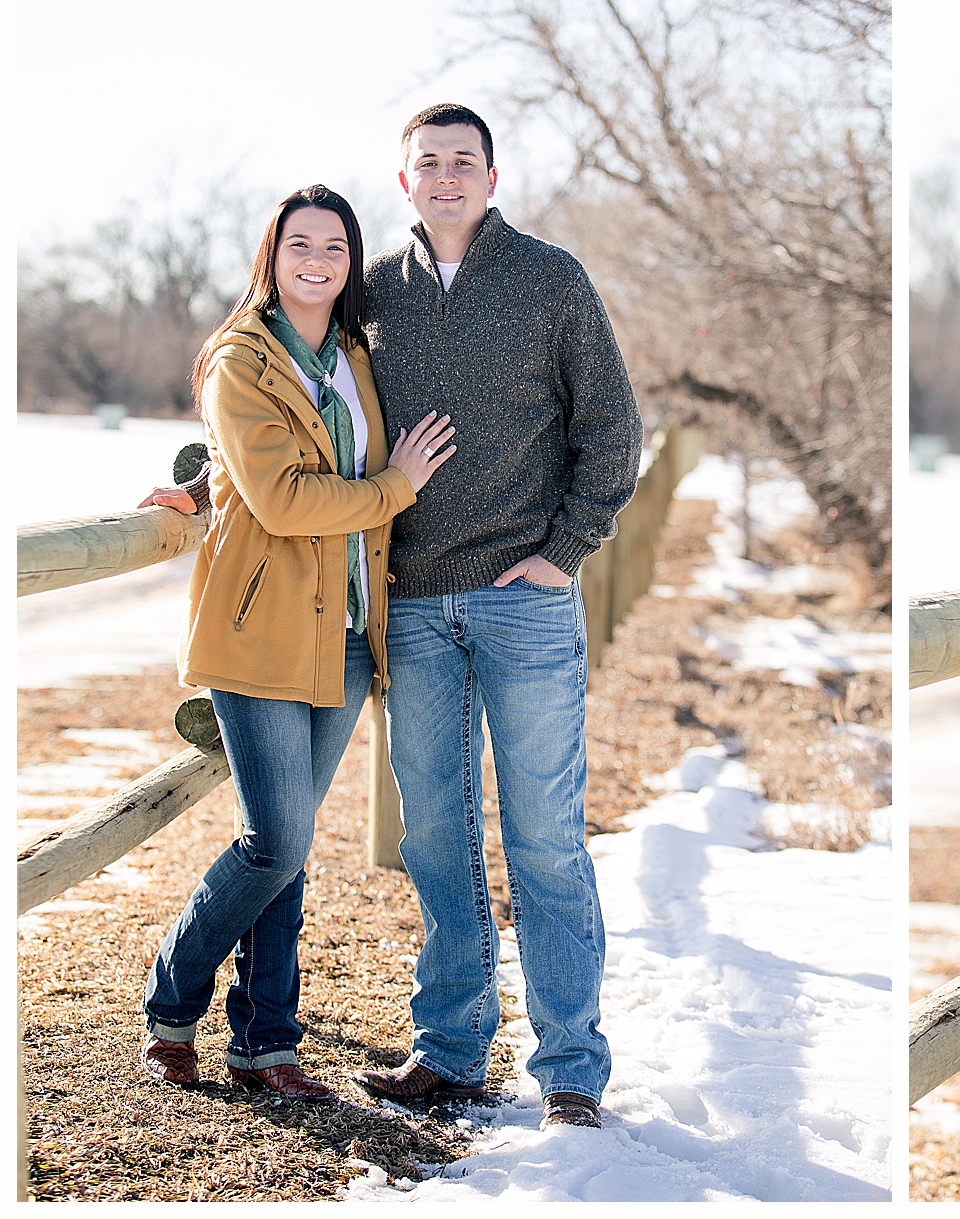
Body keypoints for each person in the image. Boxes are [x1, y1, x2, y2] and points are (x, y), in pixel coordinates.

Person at [148, 105, 644, 1131]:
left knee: (546, 839)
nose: (448, 175)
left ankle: (570, 1071)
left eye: (465, 161)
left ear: (493, 177)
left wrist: (564, 553)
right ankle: (452, 1049)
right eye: (430, 163)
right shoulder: (376, 296)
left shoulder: (550, 278)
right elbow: (296, 409)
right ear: (406, 179)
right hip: (409, 608)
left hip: (526, 603)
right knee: (435, 838)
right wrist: (199, 489)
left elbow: (612, 427)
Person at [139, 185, 455, 1098]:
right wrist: (395, 487)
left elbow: (289, 465)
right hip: (262, 628)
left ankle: (266, 1046)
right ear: (271, 257)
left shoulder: (354, 354)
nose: (317, 261)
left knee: (293, 842)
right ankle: (171, 999)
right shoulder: (239, 360)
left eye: (334, 248)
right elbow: (281, 499)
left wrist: (202, 486)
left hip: (352, 632)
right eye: (299, 245)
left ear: (351, 262)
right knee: (274, 840)